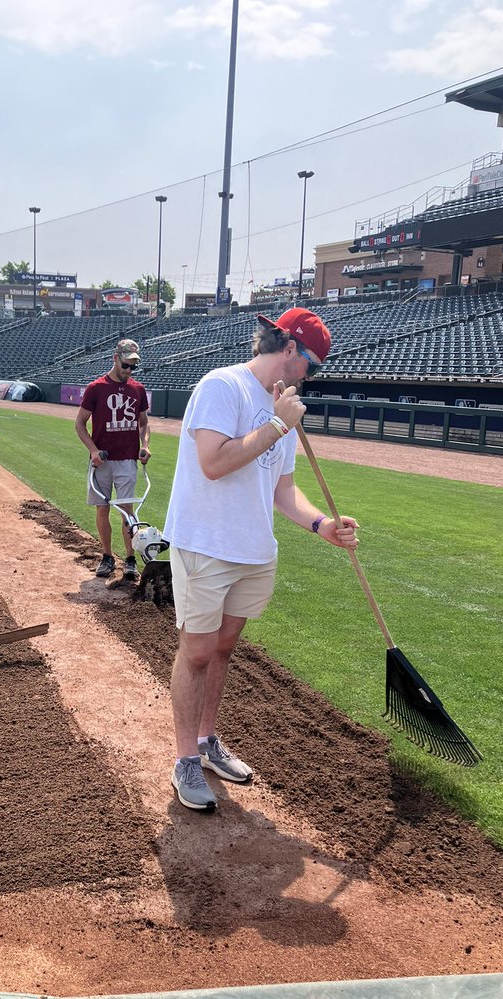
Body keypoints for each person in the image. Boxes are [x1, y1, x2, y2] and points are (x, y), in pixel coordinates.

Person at [163, 308, 359, 813]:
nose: (311, 376)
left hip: (254, 549)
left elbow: (284, 490)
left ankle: (207, 743)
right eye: (311, 365)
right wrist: (277, 424)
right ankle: (185, 759)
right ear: (290, 350)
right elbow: (213, 464)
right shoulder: (222, 386)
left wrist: (323, 526)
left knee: (225, 649)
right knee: (199, 651)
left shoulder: (284, 409)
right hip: (206, 544)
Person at [75, 338, 151, 582]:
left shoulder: (137, 390)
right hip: (102, 461)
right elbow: (79, 424)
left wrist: (145, 445)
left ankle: (130, 559)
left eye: (133, 367)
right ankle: (107, 556)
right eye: (126, 365)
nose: (129, 371)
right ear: (115, 358)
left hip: (127, 459)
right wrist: (94, 451)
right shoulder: (96, 388)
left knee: (128, 511)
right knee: (102, 508)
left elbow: (144, 423)